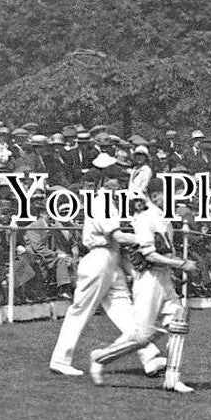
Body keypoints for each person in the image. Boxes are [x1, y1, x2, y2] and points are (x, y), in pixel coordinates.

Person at [47, 155, 165, 377]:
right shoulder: (99, 202)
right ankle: (60, 360)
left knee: (126, 312)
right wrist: (147, 239)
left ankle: (150, 356)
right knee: (80, 311)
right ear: (104, 180)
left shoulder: (109, 202)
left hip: (111, 260)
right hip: (98, 259)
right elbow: (117, 235)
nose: (119, 181)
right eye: (114, 177)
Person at [89, 189, 197, 393]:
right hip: (148, 280)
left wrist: (172, 270)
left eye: (140, 199)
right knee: (142, 336)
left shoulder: (161, 218)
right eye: (133, 201)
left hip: (162, 277)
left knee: (178, 323)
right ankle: (100, 358)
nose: (137, 204)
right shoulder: (144, 219)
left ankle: (172, 379)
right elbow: (149, 255)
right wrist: (181, 264)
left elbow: (165, 250)